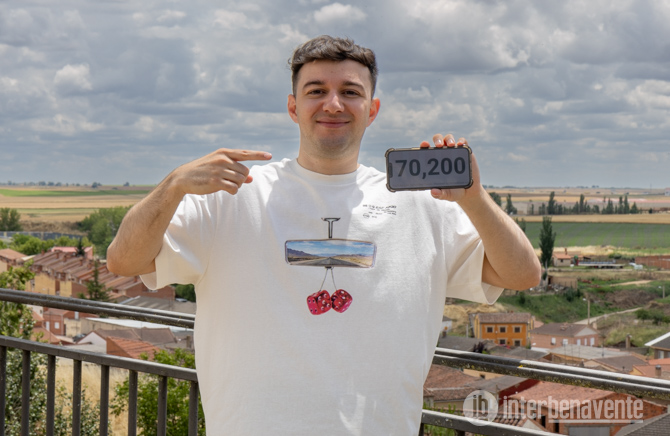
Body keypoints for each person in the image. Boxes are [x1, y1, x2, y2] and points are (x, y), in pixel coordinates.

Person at [107, 35, 540, 435]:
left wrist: (474, 198)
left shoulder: (420, 204)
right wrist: (173, 185)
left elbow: (521, 274)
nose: (333, 104)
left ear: (372, 109)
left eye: (350, 92)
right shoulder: (232, 196)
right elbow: (124, 261)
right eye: (316, 91)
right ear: (293, 107)